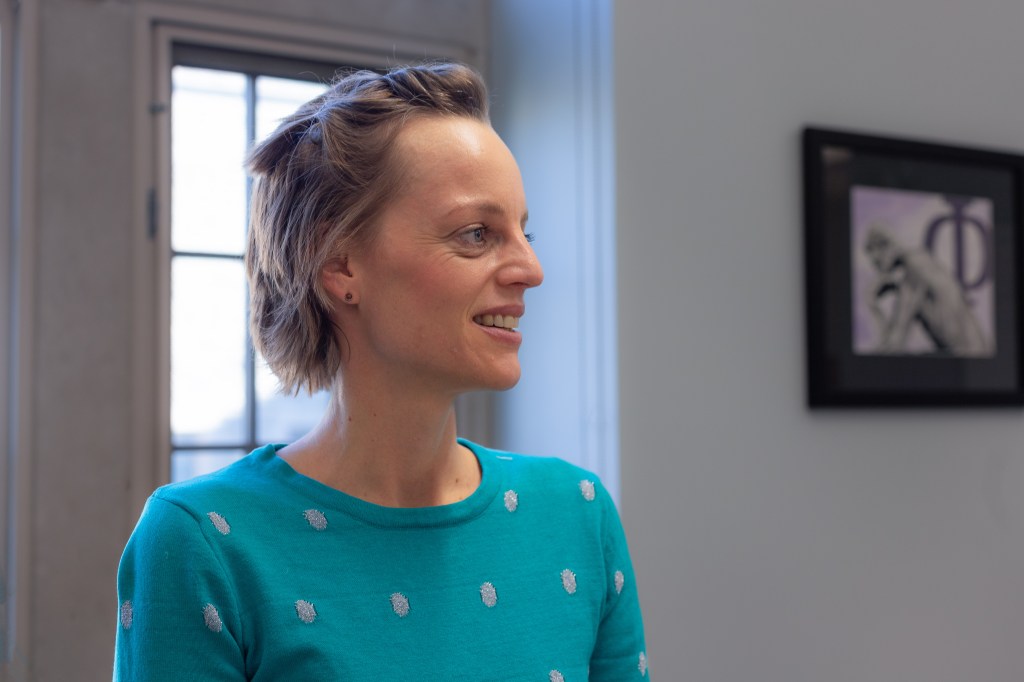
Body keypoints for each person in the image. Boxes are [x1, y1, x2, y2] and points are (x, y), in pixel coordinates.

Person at [113, 62, 649, 680]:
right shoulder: (204, 544)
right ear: (339, 263)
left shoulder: (577, 515)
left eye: (523, 232)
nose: (530, 269)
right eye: (477, 234)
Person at [862, 223, 989, 356]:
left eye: (877, 262)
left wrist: (873, 306)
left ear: (886, 248)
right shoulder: (921, 262)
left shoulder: (912, 270)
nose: (877, 269)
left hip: (969, 356)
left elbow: (893, 345)